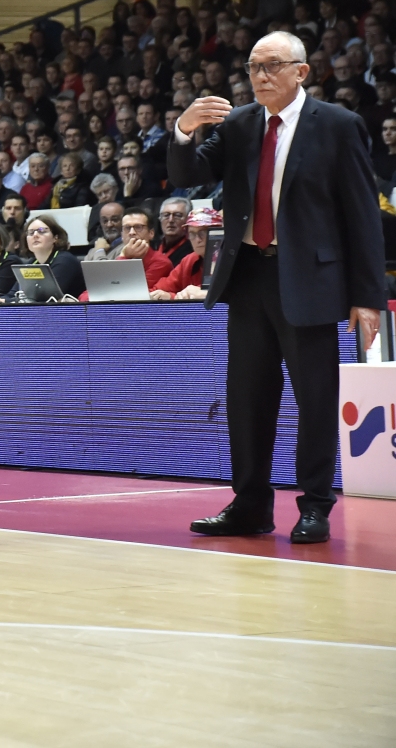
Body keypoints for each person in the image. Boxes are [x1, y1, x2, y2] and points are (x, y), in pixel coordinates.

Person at [170, 30, 385, 544]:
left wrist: (367, 296)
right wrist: (183, 129)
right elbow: (187, 175)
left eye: (271, 66)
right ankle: (249, 506)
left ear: (301, 72)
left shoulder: (337, 125)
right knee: (246, 400)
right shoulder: (241, 124)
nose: (260, 76)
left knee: (315, 400)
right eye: (252, 68)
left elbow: (363, 217)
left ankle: (314, 506)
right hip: (248, 278)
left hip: (311, 282)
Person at [150, 208, 221, 300]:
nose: (198, 239)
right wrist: (169, 297)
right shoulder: (188, 261)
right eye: (192, 233)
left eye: (203, 232)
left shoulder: (232, 260)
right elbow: (160, 289)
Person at [23, 215, 85, 296]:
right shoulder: (32, 263)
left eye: (41, 231)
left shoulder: (65, 260)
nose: (35, 235)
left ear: (55, 238)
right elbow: (13, 293)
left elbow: (49, 295)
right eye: (31, 233)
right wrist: (3, 300)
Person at [156, 198, 194, 266]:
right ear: (160, 219)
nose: (171, 220)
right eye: (166, 215)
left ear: (188, 219)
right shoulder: (153, 246)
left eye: (177, 215)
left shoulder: (193, 249)